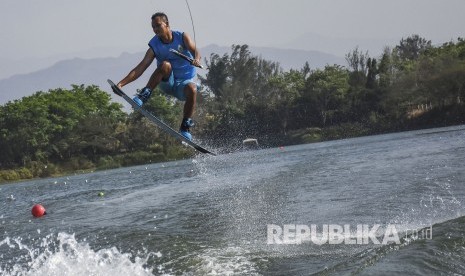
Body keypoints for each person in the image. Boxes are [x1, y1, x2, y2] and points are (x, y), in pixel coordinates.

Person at [117, 12, 202, 141]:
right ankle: (143, 96)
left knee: (192, 89)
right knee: (165, 65)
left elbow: (196, 51)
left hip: (183, 85)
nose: (155, 29)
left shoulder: (182, 36)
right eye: (153, 27)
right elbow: (141, 67)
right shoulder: (154, 44)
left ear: (167, 24)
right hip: (167, 82)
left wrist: (196, 59)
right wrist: (121, 84)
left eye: (158, 26)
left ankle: (185, 127)